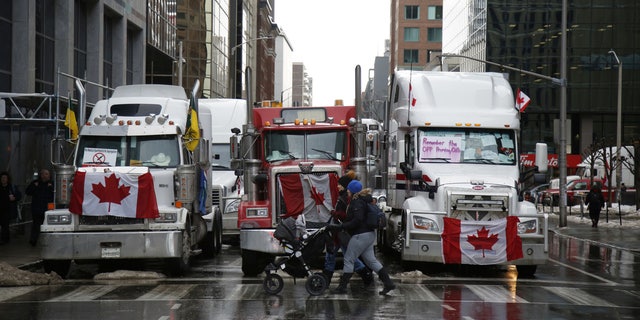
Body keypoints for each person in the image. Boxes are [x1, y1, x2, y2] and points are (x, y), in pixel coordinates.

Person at [329, 179, 396, 295]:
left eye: (348, 189)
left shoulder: (357, 202)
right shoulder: (364, 201)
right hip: (369, 235)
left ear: (351, 190)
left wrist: (341, 227)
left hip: (360, 235)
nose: (347, 191)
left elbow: (357, 220)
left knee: (349, 258)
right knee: (371, 261)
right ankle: (388, 283)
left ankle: (342, 287)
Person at [322, 171, 372, 287]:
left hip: (340, 232)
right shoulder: (345, 197)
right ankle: (365, 274)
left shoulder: (346, 198)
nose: (337, 186)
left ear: (345, 186)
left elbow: (347, 215)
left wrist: (336, 213)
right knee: (347, 256)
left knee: (333, 255)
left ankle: (327, 279)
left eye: (340, 184)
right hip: (341, 232)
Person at [25, 169, 54, 246]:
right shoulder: (35, 183)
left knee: (49, 224)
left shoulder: (52, 184)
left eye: (46, 174)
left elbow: (56, 195)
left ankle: (49, 240)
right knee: (36, 225)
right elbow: (27, 192)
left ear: (49, 175)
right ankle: (33, 240)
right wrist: (34, 186)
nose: (44, 176)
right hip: (36, 207)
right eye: (42, 174)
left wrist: (51, 188)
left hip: (48, 208)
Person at [0, 172, 22, 244]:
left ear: (8, 179)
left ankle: (5, 239)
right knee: (4, 225)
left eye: (5, 178)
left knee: (5, 225)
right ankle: (5, 239)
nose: (3, 179)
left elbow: (19, 196)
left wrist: (14, 198)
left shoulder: (12, 187)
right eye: (2, 178)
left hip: (7, 210)